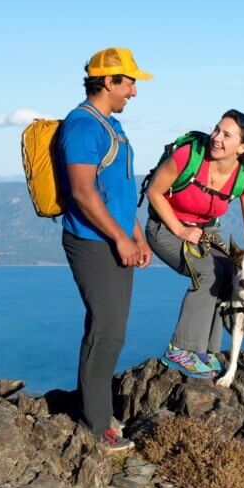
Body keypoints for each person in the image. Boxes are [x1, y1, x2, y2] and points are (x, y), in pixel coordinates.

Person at [59, 47, 153, 452]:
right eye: (129, 82)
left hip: (116, 240)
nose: (133, 91)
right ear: (108, 81)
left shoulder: (111, 126)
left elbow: (117, 191)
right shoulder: (82, 127)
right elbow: (82, 191)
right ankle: (96, 426)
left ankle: (96, 412)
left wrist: (137, 235)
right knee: (107, 331)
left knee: (111, 331)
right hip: (92, 242)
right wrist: (119, 238)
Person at [144, 109, 244, 378]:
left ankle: (206, 352)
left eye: (227, 135)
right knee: (208, 272)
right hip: (165, 227)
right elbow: (153, 192)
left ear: (242, 147)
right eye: (216, 130)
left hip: (205, 231)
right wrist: (180, 229)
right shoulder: (188, 156)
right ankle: (181, 349)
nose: (216, 137)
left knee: (231, 274)